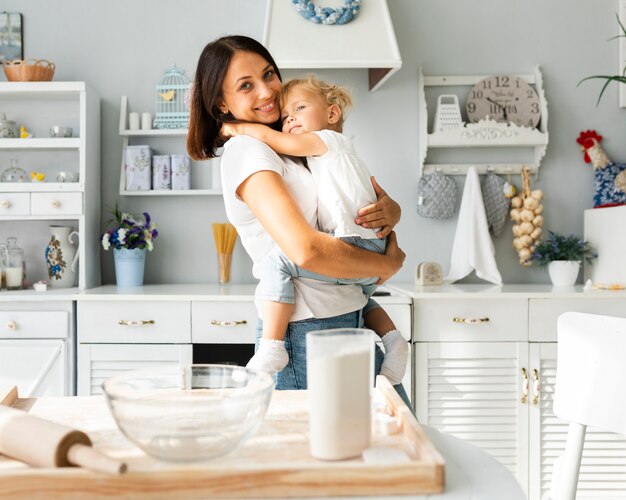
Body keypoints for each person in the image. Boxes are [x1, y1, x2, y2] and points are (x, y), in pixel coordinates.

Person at [187, 35, 410, 405]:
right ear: (222, 105)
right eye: (246, 85)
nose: (267, 91)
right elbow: (304, 250)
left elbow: (364, 196)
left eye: (268, 74)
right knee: (355, 450)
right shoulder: (246, 150)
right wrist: (385, 263)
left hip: (347, 311)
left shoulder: (294, 144)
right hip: (306, 328)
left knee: (390, 442)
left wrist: (393, 211)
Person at [221, 75, 406, 383]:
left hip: (354, 248)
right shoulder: (319, 156)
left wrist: (238, 129)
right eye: (286, 115)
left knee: (277, 262)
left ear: (331, 114)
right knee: (362, 294)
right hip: (360, 258)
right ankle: (393, 340)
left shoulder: (326, 141)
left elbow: (280, 141)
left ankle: (272, 346)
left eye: (300, 108)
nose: (290, 117)